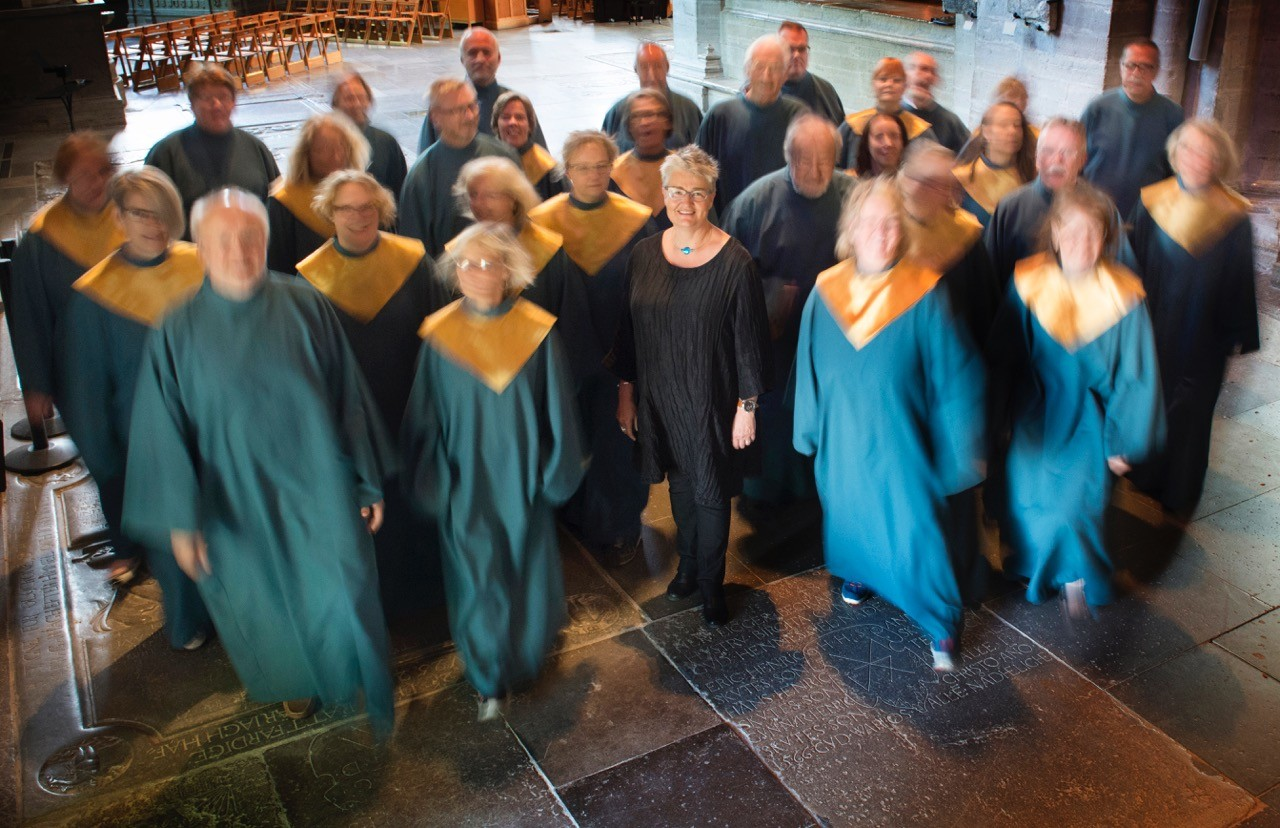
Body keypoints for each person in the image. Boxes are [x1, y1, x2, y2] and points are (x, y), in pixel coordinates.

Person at [122, 187, 395, 732]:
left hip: (320, 486)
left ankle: (346, 672)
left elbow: (348, 397)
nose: (240, 251)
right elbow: (162, 431)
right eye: (224, 240)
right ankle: (294, 682)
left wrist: (368, 481)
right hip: (236, 500)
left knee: (338, 588)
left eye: (251, 237)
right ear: (198, 246)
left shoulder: (304, 302)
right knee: (263, 602)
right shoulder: (176, 330)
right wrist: (181, 520)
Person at [792, 177, 985, 671]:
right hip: (844, 438)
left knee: (913, 527)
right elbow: (808, 365)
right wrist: (808, 428)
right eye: (870, 223)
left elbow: (954, 377)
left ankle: (940, 621)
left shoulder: (925, 293)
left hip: (902, 441)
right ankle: (862, 572)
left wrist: (960, 450)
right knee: (849, 509)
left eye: (891, 223)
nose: (881, 233)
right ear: (851, 229)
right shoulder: (826, 290)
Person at [402, 222, 586, 720]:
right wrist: (434, 477)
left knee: (525, 569)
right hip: (466, 481)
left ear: (509, 270)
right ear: (455, 273)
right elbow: (424, 419)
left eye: (490, 264)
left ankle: (523, 656)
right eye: (468, 264)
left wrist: (554, 472)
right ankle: (487, 676)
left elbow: (558, 413)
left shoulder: (536, 331)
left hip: (522, 479)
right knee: (476, 576)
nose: (480, 273)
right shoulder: (439, 336)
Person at [610, 146, 770, 626]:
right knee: (679, 489)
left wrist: (748, 404)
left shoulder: (734, 261)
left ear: (711, 197)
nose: (685, 201)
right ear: (663, 194)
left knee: (711, 491)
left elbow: (749, 339)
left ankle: (711, 582)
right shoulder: (643, 255)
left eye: (696, 193)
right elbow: (627, 331)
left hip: (711, 399)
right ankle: (689, 566)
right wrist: (626, 392)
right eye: (677, 191)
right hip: (660, 398)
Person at [989, 183, 1164, 619]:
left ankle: (1076, 573)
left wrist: (1125, 439)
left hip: (1090, 418)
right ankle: (1031, 566)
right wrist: (994, 417)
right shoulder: (1028, 281)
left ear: (1105, 238)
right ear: (1054, 234)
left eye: (1091, 234)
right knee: (1024, 499)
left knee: (1075, 508)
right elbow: (1002, 356)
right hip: (1033, 416)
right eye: (1070, 232)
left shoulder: (1123, 295)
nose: (1079, 243)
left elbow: (1136, 375)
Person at [60, 168, 210, 649]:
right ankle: (186, 623)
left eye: (162, 212)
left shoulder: (201, 265)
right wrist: (108, 464)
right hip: (143, 442)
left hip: (209, 427)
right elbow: (86, 393)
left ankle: (225, 613)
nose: (154, 224)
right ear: (119, 218)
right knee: (172, 542)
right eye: (141, 213)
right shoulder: (94, 296)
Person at [297, 170, 447, 617]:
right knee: (368, 505)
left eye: (368, 207)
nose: (359, 216)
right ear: (329, 213)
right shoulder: (311, 277)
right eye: (346, 208)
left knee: (417, 497)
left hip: (411, 401)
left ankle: (427, 589)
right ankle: (382, 598)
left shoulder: (412, 258)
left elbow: (439, 327)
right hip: (353, 415)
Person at [528, 131, 658, 565]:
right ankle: (575, 513)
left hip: (621, 352)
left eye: (602, 165)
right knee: (572, 433)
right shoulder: (541, 221)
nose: (593, 175)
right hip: (563, 354)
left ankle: (620, 525)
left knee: (618, 442)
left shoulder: (636, 220)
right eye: (583, 167)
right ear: (566, 171)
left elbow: (651, 292)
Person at [1128, 120, 1259, 520]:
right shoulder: (1152, 201)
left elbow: (1240, 278)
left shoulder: (1233, 215)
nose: (1196, 159)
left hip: (1205, 332)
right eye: (1189, 150)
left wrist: (1240, 331)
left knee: (1192, 408)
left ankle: (1179, 487)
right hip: (1154, 323)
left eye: (1206, 153)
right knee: (1151, 397)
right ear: (1176, 154)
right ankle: (1145, 472)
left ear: (1219, 161)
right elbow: (1132, 259)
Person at [721, 114, 850, 508]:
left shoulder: (854, 197)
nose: (815, 170)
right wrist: (769, 296)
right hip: (775, 345)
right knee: (776, 424)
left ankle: (818, 492)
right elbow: (727, 281)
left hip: (836, 342)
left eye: (825, 160)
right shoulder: (754, 204)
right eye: (804, 159)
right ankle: (768, 495)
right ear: (787, 156)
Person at [10, 133, 123, 463]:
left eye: (103, 171)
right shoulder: (41, 241)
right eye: (84, 174)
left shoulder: (133, 218)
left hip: (134, 366)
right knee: (106, 462)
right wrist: (36, 384)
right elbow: (31, 320)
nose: (97, 182)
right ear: (65, 177)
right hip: (79, 377)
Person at [451, 156, 595, 381]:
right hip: (476, 374)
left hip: (540, 374)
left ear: (514, 199)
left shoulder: (548, 251)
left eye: (490, 195)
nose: (478, 204)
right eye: (473, 195)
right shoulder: (463, 253)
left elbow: (573, 328)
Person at [984, 117, 1137, 285]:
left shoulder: (1103, 208)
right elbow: (990, 279)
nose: (1057, 160)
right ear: (1036, 158)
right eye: (1048, 151)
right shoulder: (1011, 208)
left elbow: (1122, 275)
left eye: (1068, 152)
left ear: (1082, 161)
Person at [144, 65, 280, 225]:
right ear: (192, 105)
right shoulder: (165, 153)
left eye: (223, 97)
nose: (216, 105)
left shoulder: (255, 148)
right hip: (192, 249)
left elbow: (277, 206)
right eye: (207, 98)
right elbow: (150, 217)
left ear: (233, 102)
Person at [401, 78, 519, 257]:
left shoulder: (504, 156)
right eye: (458, 110)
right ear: (435, 116)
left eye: (472, 106)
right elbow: (415, 252)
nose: (470, 116)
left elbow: (522, 222)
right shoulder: (421, 177)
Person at [696, 35, 807, 214]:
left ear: (786, 73)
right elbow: (698, 177)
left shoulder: (799, 116)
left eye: (775, 68)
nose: (767, 76)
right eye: (760, 67)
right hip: (729, 228)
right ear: (747, 70)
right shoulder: (720, 116)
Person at [1081, 37, 1185, 219]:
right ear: (1121, 67)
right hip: (1095, 215)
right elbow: (1077, 160)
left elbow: (1177, 174)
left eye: (1146, 66)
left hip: (1145, 219)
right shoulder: (1097, 108)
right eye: (1130, 65)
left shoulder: (1172, 115)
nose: (1136, 73)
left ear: (1156, 71)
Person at [267, 112, 370, 273]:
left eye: (341, 146)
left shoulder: (365, 194)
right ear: (305, 154)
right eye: (323, 149)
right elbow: (277, 268)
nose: (335, 156)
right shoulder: (285, 202)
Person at [417, 27, 546, 154]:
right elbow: (426, 159)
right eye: (472, 53)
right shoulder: (444, 105)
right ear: (462, 59)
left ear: (499, 58)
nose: (480, 59)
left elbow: (542, 164)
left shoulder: (517, 105)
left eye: (486, 52)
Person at [601, 41, 703, 152]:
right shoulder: (617, 112)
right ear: (636, 70)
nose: (652, 76)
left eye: (657, 66)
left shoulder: (688, 110)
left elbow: (702, 158)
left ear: (667, 67)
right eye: (644, 67)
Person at [838, 58, 936, 171]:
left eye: (896, 80)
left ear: (905, 86)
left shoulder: (921, 132)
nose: (889, 84)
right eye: (883, 79)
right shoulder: (852, 126)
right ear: (873, 84)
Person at [952, 101, 1036, 226]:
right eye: (1003, 125)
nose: (1012, 131)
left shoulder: (1031, 179)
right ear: (986, 132)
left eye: (1017, 125)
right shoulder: (962, 178)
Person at [331, 71, 409, 202]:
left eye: (361, 97)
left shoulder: (385, 142)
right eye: (349, 98)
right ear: (335, 104)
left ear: (369, 101)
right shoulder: (324, 143)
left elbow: (400, 195)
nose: (356, 104)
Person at [610, 89, 675, 229]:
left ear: (667, 121)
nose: (644, 122)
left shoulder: (688, 171)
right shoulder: (613, 175)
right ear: (628, 125)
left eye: (651, 114)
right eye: (636, 116)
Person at [491, 91, 562, 200]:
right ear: (496, 123)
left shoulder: (548, 170)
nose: (512, 122)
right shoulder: (484, 158)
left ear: (530, 124)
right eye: (506, 117)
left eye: (519, 117)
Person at [777, 21, 844, 126]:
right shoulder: (761, 92)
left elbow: (840, 135)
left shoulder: (826, 90)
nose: (796, 55)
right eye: (790, 49)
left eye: (801, 49)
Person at [902, 51, 968, 152]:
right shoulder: (890, 116)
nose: (917, 73)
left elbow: (969, 157)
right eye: (912, 67)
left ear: (935, 78)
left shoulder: (950, 121)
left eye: (925, 69)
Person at [853, 112, 907, 178]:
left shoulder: (913, 184)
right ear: (867, 143)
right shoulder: (851, 181)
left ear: (903, 142)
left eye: (894, 136)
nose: (888, 143)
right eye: (879, 137)